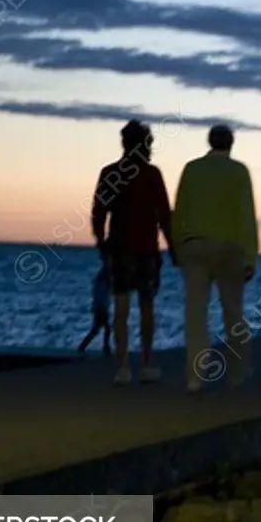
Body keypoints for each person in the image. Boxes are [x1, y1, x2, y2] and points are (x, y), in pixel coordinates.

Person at [173, 124, 259, 393]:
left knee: (196, 313)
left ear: (209, 142)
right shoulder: (239, 172)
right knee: (233, 310)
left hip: (195, 245)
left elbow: (179, 211)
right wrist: (251, 257)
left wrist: (177, 247)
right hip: (229, 248)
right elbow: (245, 214)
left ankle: (195, 376)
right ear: (231, 144)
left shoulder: (192, 169)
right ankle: (236, 372)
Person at [91, 119, 176, 386]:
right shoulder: (152, 175)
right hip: (147, 249)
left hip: (118, 247)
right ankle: (148, 362)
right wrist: (173, 248)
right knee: (147, 305)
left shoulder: (110, 173)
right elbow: (164, 216)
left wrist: (101, 242)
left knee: (121, 306)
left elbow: (98, 212)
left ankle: (123, 366)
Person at [77, 264, 112, 355]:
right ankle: (105, 347)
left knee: (97, 329)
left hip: (100, 307)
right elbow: (102, 296)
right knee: (104, 328)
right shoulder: (103, 284)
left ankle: (83, 346)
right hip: (101, 308)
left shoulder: (100, 284)